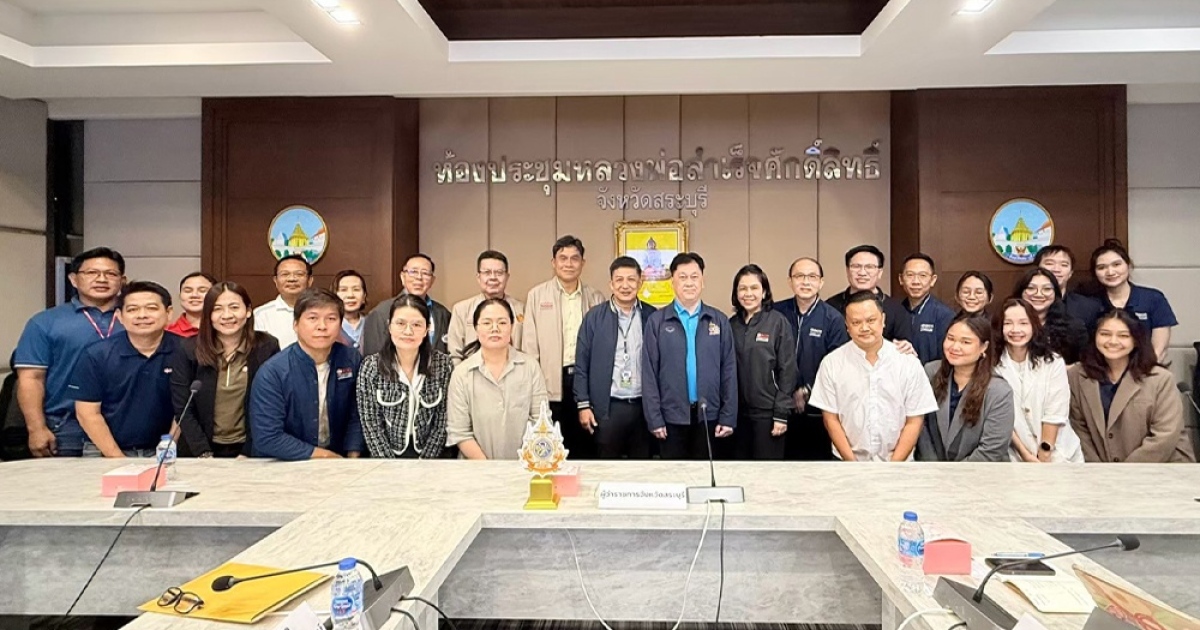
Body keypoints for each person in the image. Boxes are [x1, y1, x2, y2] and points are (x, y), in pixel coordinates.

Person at [14, 247, 126, 457]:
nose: (102, 279)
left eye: (111, 274)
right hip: (67, 428)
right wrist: (36, 428)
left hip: (128, 425)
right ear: (74, 279)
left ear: (122, 280)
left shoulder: (137, 319)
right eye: (91, 273)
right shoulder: (45, 322)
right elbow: (31, 378)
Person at [809, 291, 937, 461]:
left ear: (883, 320)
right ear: (847, 325)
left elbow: (915, 419)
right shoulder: (832, 363)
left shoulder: (908, 362)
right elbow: (830, 419)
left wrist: (894, 465)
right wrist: (852, 463)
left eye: (871, 320)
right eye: (856, 322)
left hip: (898, 463)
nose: (864, 328)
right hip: (847, 462)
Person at [70, 281, 182, 457]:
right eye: (132, 309)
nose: (142, 315)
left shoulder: (186, 351)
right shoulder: (97, 354)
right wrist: (118, 459)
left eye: (151, 308)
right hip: (104, 450)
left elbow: (187, 409)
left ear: (168, 313)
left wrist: (167, 450)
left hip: (170, 449)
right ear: (119, 316)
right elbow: (87, 413)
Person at [643, 253, 737, 460]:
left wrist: (728, 416)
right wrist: (654, 418)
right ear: (672, 282)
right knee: (674, 475)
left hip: (709, 416)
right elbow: (649, 373)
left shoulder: (718, 320)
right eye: (683, 277)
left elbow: (729, 370)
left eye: (694, 277)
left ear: (702, 281)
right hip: (671, 418)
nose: (689, 283)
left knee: (705, 474)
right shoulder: (657, 321)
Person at [249, 289, 364, 460]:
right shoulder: (273, 371)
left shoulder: (351, 359)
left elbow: (357, 413)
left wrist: (353, 457)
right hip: (284, 461)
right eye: (312, 318)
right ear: (295, 324)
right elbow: (267, 437)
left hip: (339, 461)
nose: (322, 326)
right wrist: (324, 456)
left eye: (331, 319)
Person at [169, 282, 281, 458]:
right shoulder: (188, 349)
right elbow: (183, 408)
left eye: (234, 307)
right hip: (198, 451)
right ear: (208, 315)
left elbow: (271, 405)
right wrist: (203, 452)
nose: (227, 315)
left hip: (252, 449)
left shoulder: (266, 346)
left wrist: (248, 451)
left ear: (248, 311)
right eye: (217, 309)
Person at [1068, 310, 1195, 463]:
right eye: (1105, 334)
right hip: (1099, 471)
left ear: (1136, 340)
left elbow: (1165, 435)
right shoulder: (1077, 376)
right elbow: (1080, 431)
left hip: (1162, 467)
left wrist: (1125, 472)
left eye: (1123, 336)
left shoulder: (1160, 379)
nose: (1113, 341)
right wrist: (1099, 471)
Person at [522, 236, 605, 459]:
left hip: (584, 382)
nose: (569, 264)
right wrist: (534, 382)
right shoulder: (537, 295)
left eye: (574, 258)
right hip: (549, 381)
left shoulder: (595, 297)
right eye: (563, 258)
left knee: (585, 447)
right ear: (554, 262)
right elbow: (529, 344)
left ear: (583, 263)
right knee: (552, 448)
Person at [574, 257, 657, 459]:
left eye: (631, 279)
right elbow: (582, 364)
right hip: (608, 407)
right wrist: (583, 404)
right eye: (619, 280)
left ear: (640, 283)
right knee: (607, 466)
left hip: (643, 407)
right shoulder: (594, 317)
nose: (625, 285)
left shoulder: (652, 316)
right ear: (611, 284)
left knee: (642, 466)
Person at [447, 299, 548, 460]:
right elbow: (460, 432)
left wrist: (523, 463)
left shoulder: (530, 367)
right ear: (476, 329)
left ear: (512, 327)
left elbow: (541, 421)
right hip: (476, 468)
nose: (495, 328)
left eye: (502, 322)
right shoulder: (462, 373)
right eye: (487, 323)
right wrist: (488, 467)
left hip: (524, 465)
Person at [357, 295, 453, 459]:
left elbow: (442, 422)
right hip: (386, 457)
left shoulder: (443, 365)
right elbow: (371, 425)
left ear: (427, 329)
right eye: (400, 323)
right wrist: (389, 465)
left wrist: (425, 462)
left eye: (416, 325)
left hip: (432, 458)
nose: (408, 331)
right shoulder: (371, 367)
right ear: (389, 326)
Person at [774, 257, 850, 461]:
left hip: (818, 410)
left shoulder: (833, 319)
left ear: (821, 282)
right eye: (799, 276)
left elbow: (837, 364)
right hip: (780, 408)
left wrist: (807, 389)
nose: (805, 282)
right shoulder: (776, 313)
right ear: (790, 281)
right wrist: (786, 391)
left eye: (812, 277)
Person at [992, 299, 1083, 463]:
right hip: (1016, 454)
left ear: (1034, 325)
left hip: (1058, 453)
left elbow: (1055, 413)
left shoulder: (1053, 362)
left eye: (1023, 323)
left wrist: (1044, 453)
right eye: (1008, 323)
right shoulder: (991, 365)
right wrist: (1025, 454)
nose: (1015, 329)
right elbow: (999, 417)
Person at [917, 315, 1014, 462]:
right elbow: (921, 427)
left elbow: (992, 450)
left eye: (966, 342)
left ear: (984, 347)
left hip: (981, 472)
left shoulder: (999, 391)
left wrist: (955, 473)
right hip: (932, 470)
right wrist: (933, 468)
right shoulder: (930, 372)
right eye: (950, 338)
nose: (955, 347)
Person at [729, 264, 796, 460]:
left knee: (766, 472)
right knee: (739, 471)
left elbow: (788, 370)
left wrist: (781, 413)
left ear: (764, 291)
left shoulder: (777, 322)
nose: (748, 293)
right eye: (742, 288)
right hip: (737, 415)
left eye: (754, 288)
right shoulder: (731, 325)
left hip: (768, 414)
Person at [1090, 239, 1177, 362]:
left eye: (1116, 264)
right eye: (1101, 267)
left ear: (1129, 265)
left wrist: (1145, 369)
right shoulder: (1089, 302)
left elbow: (1159, 349)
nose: (1110, 272)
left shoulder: (1153, 298)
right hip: (1100, 369)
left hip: (1145, 368)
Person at [825, 245, 915, 355]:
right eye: (856, 266)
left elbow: (904, 349)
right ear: (847, 271)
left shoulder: (897, 309)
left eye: (869, 267)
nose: (862, 273)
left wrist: (906, 348)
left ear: (880, 272)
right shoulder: (830, 307)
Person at [362, 254, 452, 356]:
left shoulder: (443, 314)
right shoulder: (381, 313)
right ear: (402, 277)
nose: (419, 277)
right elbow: (373, 356)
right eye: (413, 272)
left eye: (425, 273)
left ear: (432, 280)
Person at [448, 251, 525, 365]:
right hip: (471, 372)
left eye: (499, 273)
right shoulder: (461, 310)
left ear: (507, 277)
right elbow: (455, 354)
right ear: (478, 277)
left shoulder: (521, 309)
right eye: (487, 272)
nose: (493, 277)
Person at [1011, 269, 1089, 365]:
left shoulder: (1073, 327)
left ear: (1055, 293)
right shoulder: (1004, 324)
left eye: (1047, 289)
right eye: (1031, 288)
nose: (1039, 294)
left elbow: (1083, 363)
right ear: (1020, 292)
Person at [898, 253, 955, 365]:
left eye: (922, 275)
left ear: (933, 280)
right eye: (910, 275)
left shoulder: (945, 315)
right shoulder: (895, 311)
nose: (916, 281)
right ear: (901, 279)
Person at [1035, 245, 1104, 330]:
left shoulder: (1089, 307)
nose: (1056, 269)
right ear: (1037, 269)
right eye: (1049, 263)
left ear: (1070, 273)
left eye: (1064, 265)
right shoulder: (1023, 304)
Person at [254, 255, 313, 348]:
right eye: (285, 274)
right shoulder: (260, 315)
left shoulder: (322, 311)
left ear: (310, 280)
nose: (292, 279)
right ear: (275, 281)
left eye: (299, 274)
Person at [165, 272, 216, 338]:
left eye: (202, 290)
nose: (194, 295)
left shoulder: (222, 329)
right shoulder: (168, 333)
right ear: (180, 296)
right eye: (188, 291)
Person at [332, 270, 368, 353]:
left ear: (364, 296)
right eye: (343, 290)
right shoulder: (328, 326)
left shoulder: (373, 323)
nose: (350, 295)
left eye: (356, 289)